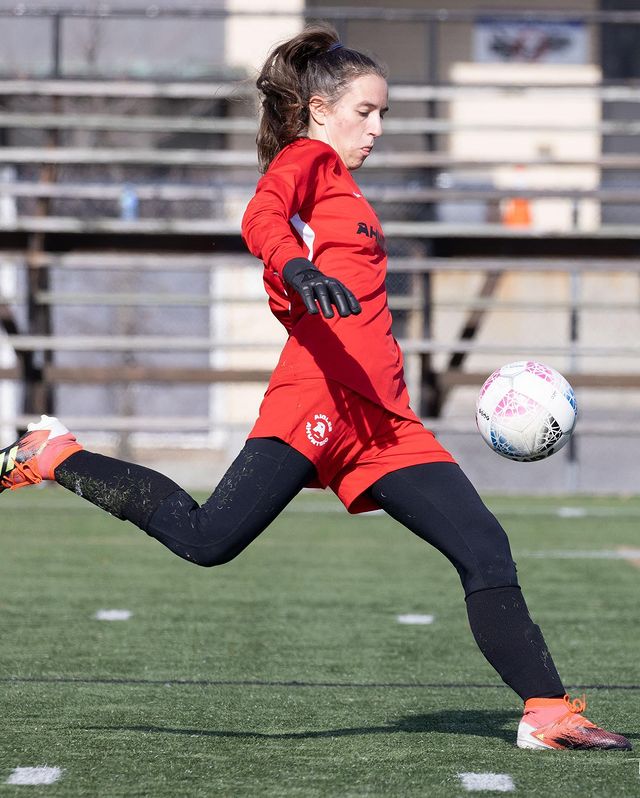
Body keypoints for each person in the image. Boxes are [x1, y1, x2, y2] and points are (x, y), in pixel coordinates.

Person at [0, 23, 631, 752]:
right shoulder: (307, 161)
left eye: (385, 113)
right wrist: (294, 267)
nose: (378, 127)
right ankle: (54, 454)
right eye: (366, 111)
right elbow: (261, 214)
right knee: (209, 541)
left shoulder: (349, 190)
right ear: (320, 109)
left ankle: (547, 713)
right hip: (318, 399)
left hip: (385, 421)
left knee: (484, 547)